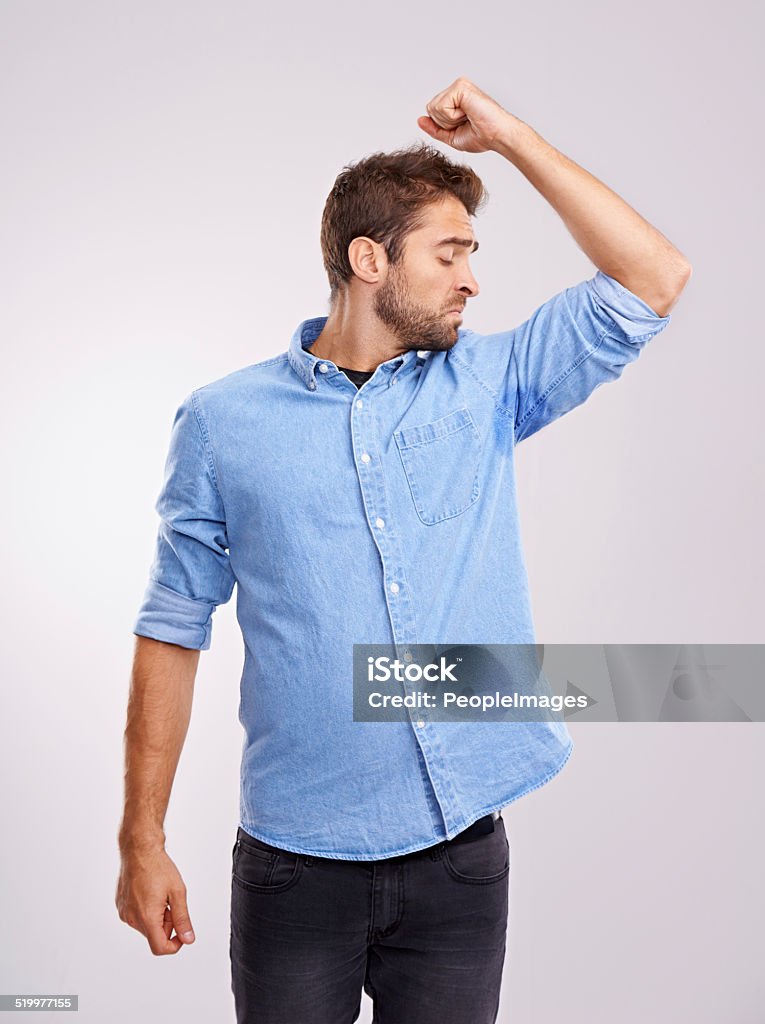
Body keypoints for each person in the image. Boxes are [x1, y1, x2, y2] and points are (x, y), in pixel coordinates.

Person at [116, 77, 691, 1023]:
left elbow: (654, 276)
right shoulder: (224, 422)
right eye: (451, 252)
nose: (472, 279)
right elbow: (172, 629)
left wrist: (506, 138)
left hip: (459, 856)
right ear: (368, 259)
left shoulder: (489, 384)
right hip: (293, 866)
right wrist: (143, 838)